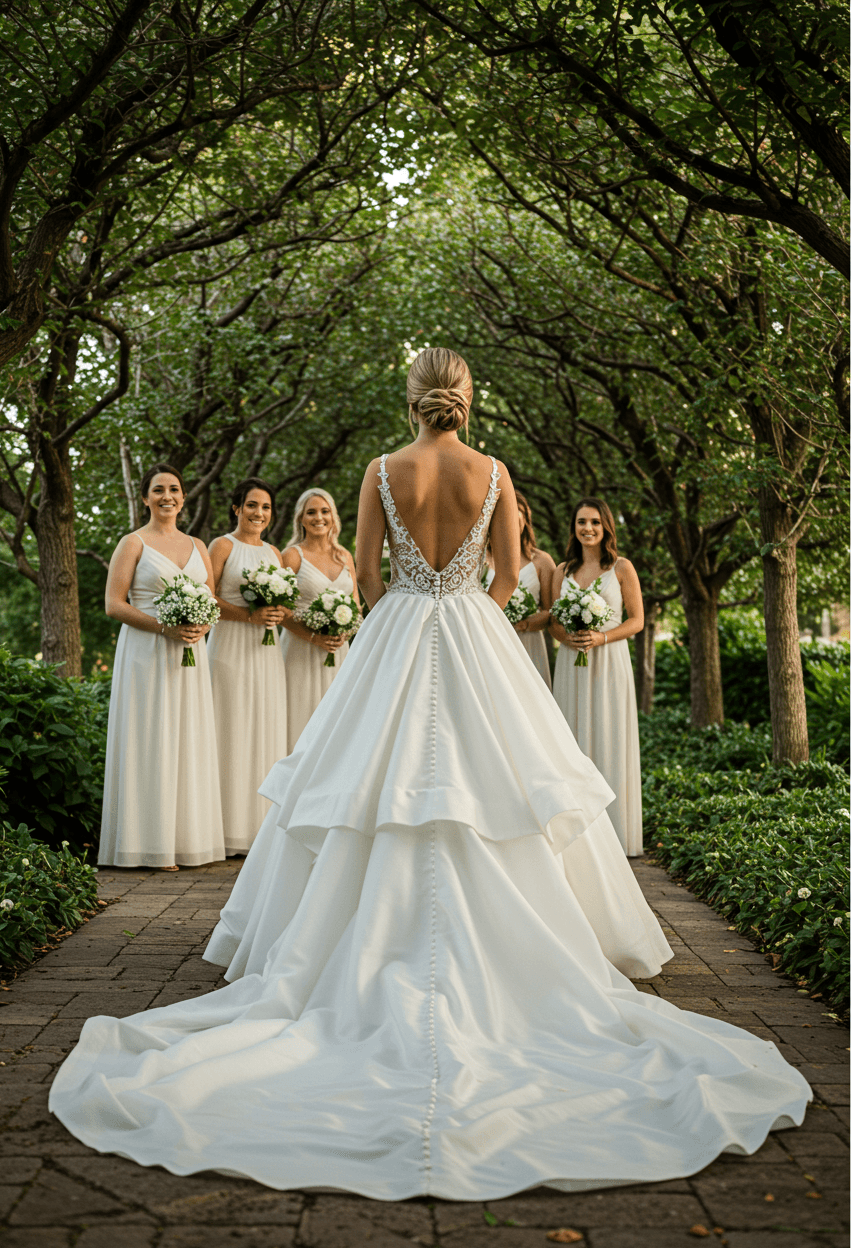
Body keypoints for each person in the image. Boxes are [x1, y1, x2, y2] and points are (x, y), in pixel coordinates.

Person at [50, 350, 809, 1201]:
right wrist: (470, 615)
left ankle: (342, 944)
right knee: (506, 784)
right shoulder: (495, 472)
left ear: (408, 400)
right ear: (467, 402)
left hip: (403, 628)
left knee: (365, 785)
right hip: (477, 631)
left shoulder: (382, 470)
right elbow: (514, 573)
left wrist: (405, 615)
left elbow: (367, 575)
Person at [97, 464, 225, 870]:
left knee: (187, 738)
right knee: (150, 739)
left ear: (184, 497)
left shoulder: (198, 545)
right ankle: (146, 844)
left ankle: (186, 841)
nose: (167, 496)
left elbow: (212, 598)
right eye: (158, 490)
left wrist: (202, 623)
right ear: (145, 498)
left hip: (190, 656)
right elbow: (114, 604)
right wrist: (163, 628)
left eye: (174, 489)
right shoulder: (132, 543)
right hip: (146, 653)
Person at [550, 498, 644, 856]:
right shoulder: (562, 570)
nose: (587, 528)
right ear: (573, 527)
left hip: (609, 662)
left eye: (594, 522)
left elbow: (637, 620)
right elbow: (555, 622)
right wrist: (566, 637)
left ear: (606, 527)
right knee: (571, 740)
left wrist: (602, 636)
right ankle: (577, 839)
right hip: (571, 663)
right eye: (581, 522)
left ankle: (615, 836)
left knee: (609, 736)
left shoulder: (621, 568)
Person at [207, 479, 289, 856]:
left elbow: (288, 604)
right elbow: (206, 598)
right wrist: (248, 616)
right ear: (237, 507)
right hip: (230, 647)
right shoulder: (222, 546)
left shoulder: (275, 552)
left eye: (266, 507)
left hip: (267, 653)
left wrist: (278, 611)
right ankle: (224, 831)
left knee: (264, 729)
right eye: (252, 505)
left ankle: (260, 830)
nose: (259, 513)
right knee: (231, 728)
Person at [279, 488, 358, 749]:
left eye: (324, 511)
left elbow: (356, 604)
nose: (318, 517)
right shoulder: (291, 556)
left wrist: (341, 634)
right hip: (301, 650)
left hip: (338, 651)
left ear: (333, 517)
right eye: (311, 512)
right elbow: (280, 610)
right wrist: (314, 636)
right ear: (301, 519)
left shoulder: (344, 556)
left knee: (338, 723)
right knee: (302, 719)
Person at [485, 489, 555, 687]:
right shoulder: (480, 560)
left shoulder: (542, 561)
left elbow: (550, 612)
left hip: (529, 644)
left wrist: (523, 624)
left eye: (516, 515)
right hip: (491, 643)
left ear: (525, 521)